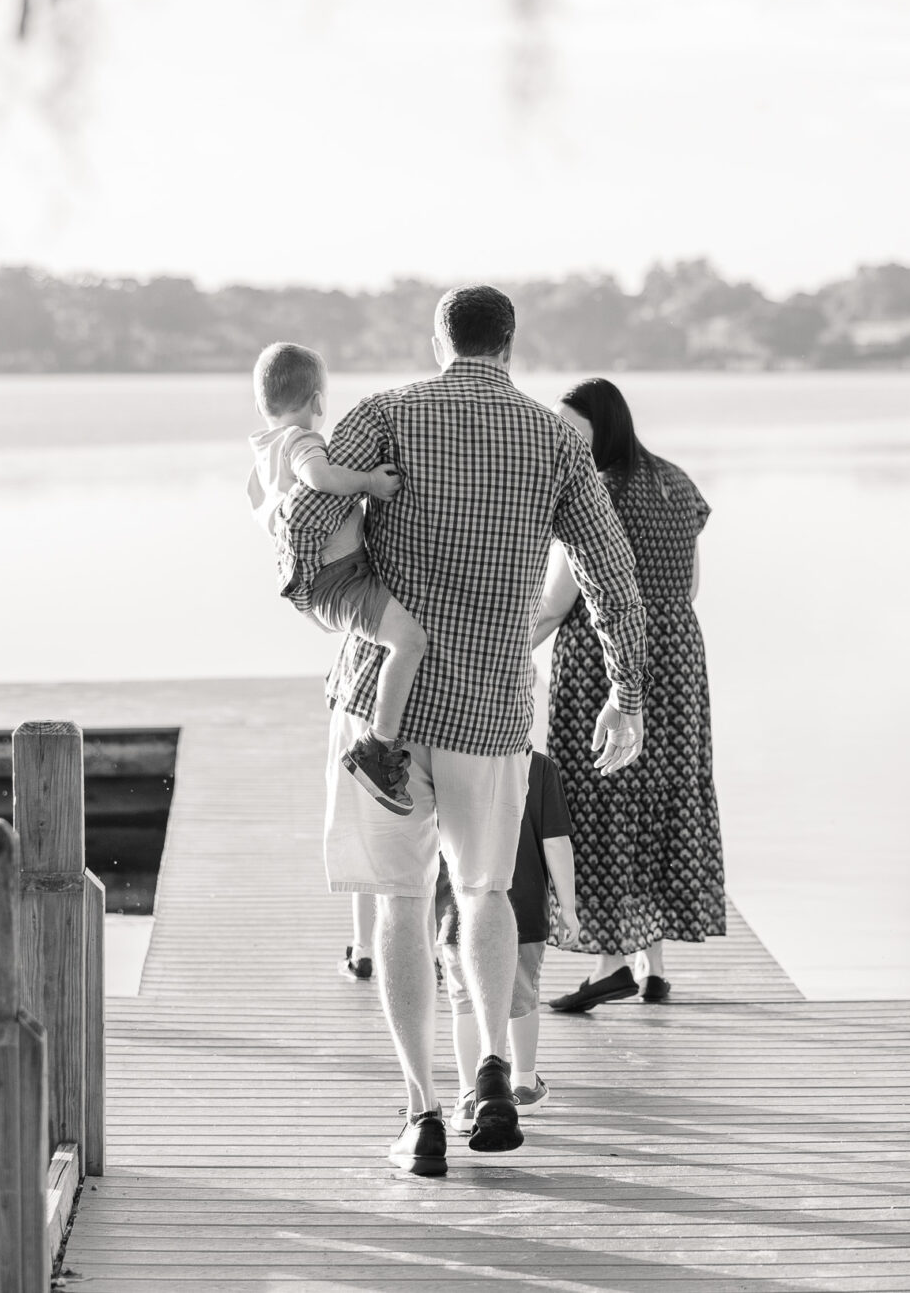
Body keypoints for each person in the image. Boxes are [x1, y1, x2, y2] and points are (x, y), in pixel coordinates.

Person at [277, 286, 647, 1178]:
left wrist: (347, 599)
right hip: (491, 708)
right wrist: (625, 691)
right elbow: (610, 568)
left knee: (403, 902)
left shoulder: (386, 413)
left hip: (386, 716)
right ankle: (491, 1067)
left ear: (439, 340)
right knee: (484, 892)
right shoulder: (559, 438)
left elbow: (306, 520)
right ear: (510, 345)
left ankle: (421, 1112)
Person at [533, 377, 725, 1012]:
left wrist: (492, 648)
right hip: (676, 657)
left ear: (598, 427)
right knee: (660, 799)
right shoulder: (674, 482)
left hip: (603, 662)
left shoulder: (591, 492)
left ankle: (611, 965)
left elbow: (557, 605)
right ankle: (653, 966)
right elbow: (691, 587)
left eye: (571, 426)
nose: (563, 436)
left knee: (601, 802)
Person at [247, 341, 428, 815]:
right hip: (338, 579)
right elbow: (319, 480)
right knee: (409, 641)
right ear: (319, 403)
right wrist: (368, 482)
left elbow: (272, 523)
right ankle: (377, 748)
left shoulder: (262, 456)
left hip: (322, 582)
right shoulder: (302, 442)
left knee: (377, 634)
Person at [437, 746, 579, 1129]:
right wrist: (568, 908)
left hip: (457, 915)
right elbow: (556, 842)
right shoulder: (538, 766)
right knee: (521, 997)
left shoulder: (440, 762)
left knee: (466, 1002)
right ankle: (524, 1082)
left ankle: (469, 1094)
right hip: (524, 910)